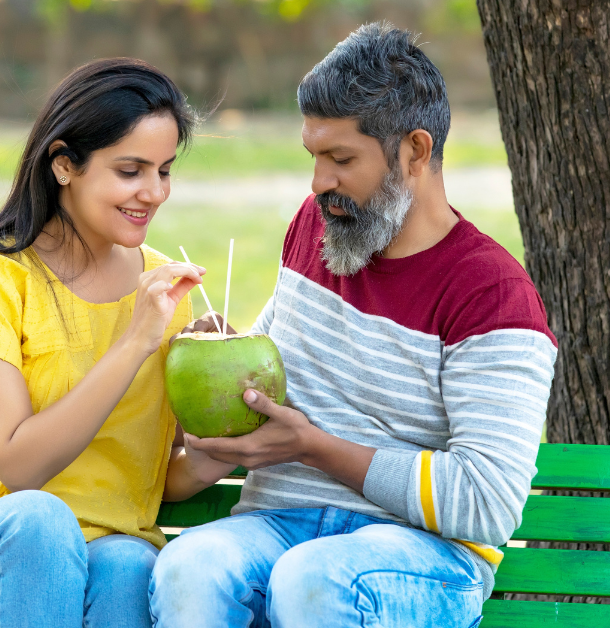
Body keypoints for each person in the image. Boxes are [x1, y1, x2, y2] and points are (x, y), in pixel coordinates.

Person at [149, 23, 558, 627]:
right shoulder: (318, 232)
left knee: (313, 579)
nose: (319, 184)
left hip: (420, 551)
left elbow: (486, 500)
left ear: (415, 152)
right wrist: (228, 355)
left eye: (342, 160)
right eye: (315, 157)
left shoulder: (490, 293)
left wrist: (316, 448)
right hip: (280, 523)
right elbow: (283, 374)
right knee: (190, 565)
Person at [0, 58, 205, 628]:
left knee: (131, 562)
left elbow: (149, 470)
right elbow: (19, 466)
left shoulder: (162, 290)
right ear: (63, 166)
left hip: (100, 550)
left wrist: (213, 450)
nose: (153, 193)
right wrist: (133, 344)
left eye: (165, 171)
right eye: (130, 171)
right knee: (38, 522)